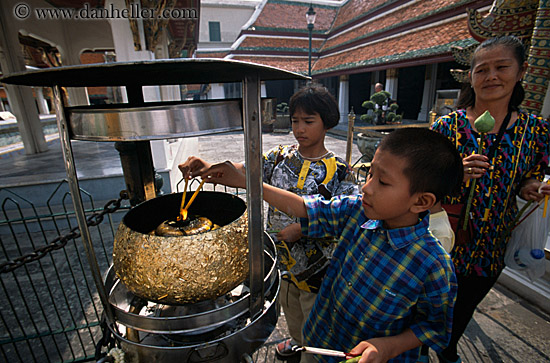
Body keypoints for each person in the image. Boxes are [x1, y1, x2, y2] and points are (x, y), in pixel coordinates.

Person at [193, 127, 462, 362]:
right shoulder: (357, 212)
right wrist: (246, 182)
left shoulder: (432, 264)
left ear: (421, 202)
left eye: (383, 181)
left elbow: (434, 327)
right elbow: (302, 207)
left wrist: (389, 346)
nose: (367, 187)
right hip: (321, 343)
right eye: (370, 174)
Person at [179, 83, 358, 360]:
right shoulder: (280, 157)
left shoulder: (340, 171)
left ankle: (313, 354)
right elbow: (244, 170)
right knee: (292, 312)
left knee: (316, 326)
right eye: (296, 120)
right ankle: (297, 343)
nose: (300, 129)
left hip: (320, 272)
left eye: (309, 121)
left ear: (327, 123)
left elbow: (348, 218)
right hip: (283, 263)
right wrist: (208, 167)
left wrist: (304, 228)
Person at [431, 35, 550, 363]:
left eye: (501, 67)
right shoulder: (448, 127)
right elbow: (422, 181)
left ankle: (447, 351)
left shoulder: (536, 132)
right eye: (482, 70)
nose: (491, 76)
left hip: (492, 243)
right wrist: (457, 172)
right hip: (444, 239)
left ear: (521, 70)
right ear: (471, 77)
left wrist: (531, 186)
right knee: (433, 307)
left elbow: (530, 177)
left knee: (462, 311)